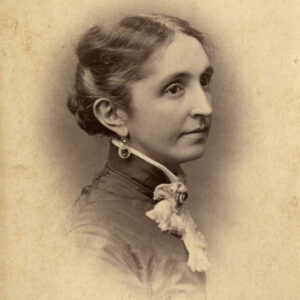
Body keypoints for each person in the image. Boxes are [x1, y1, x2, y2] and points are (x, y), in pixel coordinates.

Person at [67, 13, 214, 300]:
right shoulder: (99, 235)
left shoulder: (160, 202)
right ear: (114, 114)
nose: (205, 108)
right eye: (175, 88)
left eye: (205, 81)